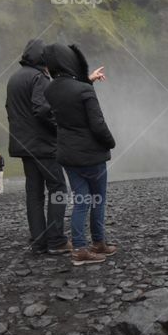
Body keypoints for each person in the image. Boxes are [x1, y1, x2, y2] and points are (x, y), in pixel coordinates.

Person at [43, 42, 117, 266]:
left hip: (68, 155)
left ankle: (79, 249)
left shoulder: (50, 89)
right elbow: (97, 124)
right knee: (99, 200)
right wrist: (110, 142)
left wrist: (88, 80)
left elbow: (69, 95)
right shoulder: (84, 91)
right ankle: (98, 243)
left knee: (82, 201)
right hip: (92, 156)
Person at [6, 39, 72, 255]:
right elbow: (42, 109)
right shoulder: (39, 77)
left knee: (34, 194)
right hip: (43, 146)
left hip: (24, 146)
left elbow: (10, 110)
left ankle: (39, 241)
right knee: (58, 188)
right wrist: (59, 129)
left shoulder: (14, 79)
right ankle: (57, 241)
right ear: (42, 58)